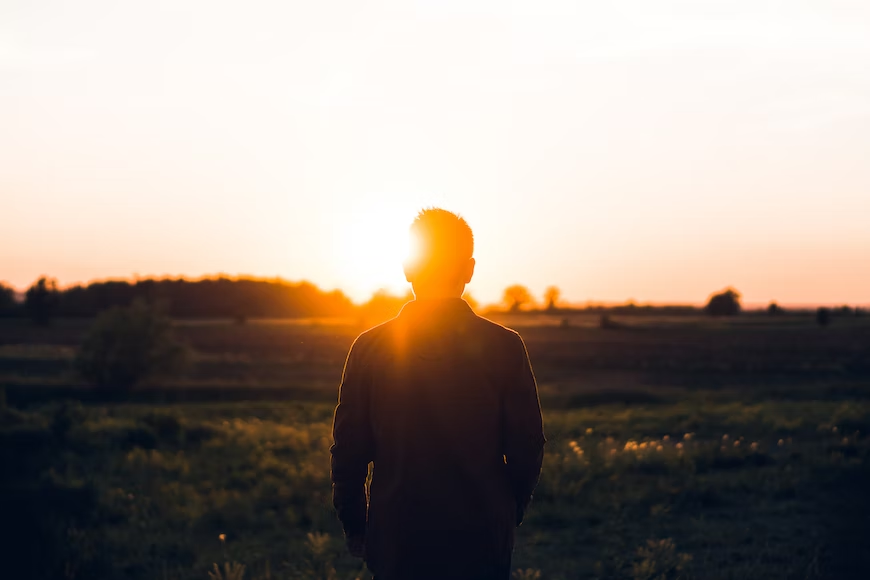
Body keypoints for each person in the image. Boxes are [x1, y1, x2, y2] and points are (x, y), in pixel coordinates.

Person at [331, 208, 546, 580]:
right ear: (469, 270)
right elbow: (527, 446)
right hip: (481, 541)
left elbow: (348, 453)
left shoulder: (369, 348)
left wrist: (356, 528)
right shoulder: (505, 347)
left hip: (398, 540)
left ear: (408, 268)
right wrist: (509, 512)